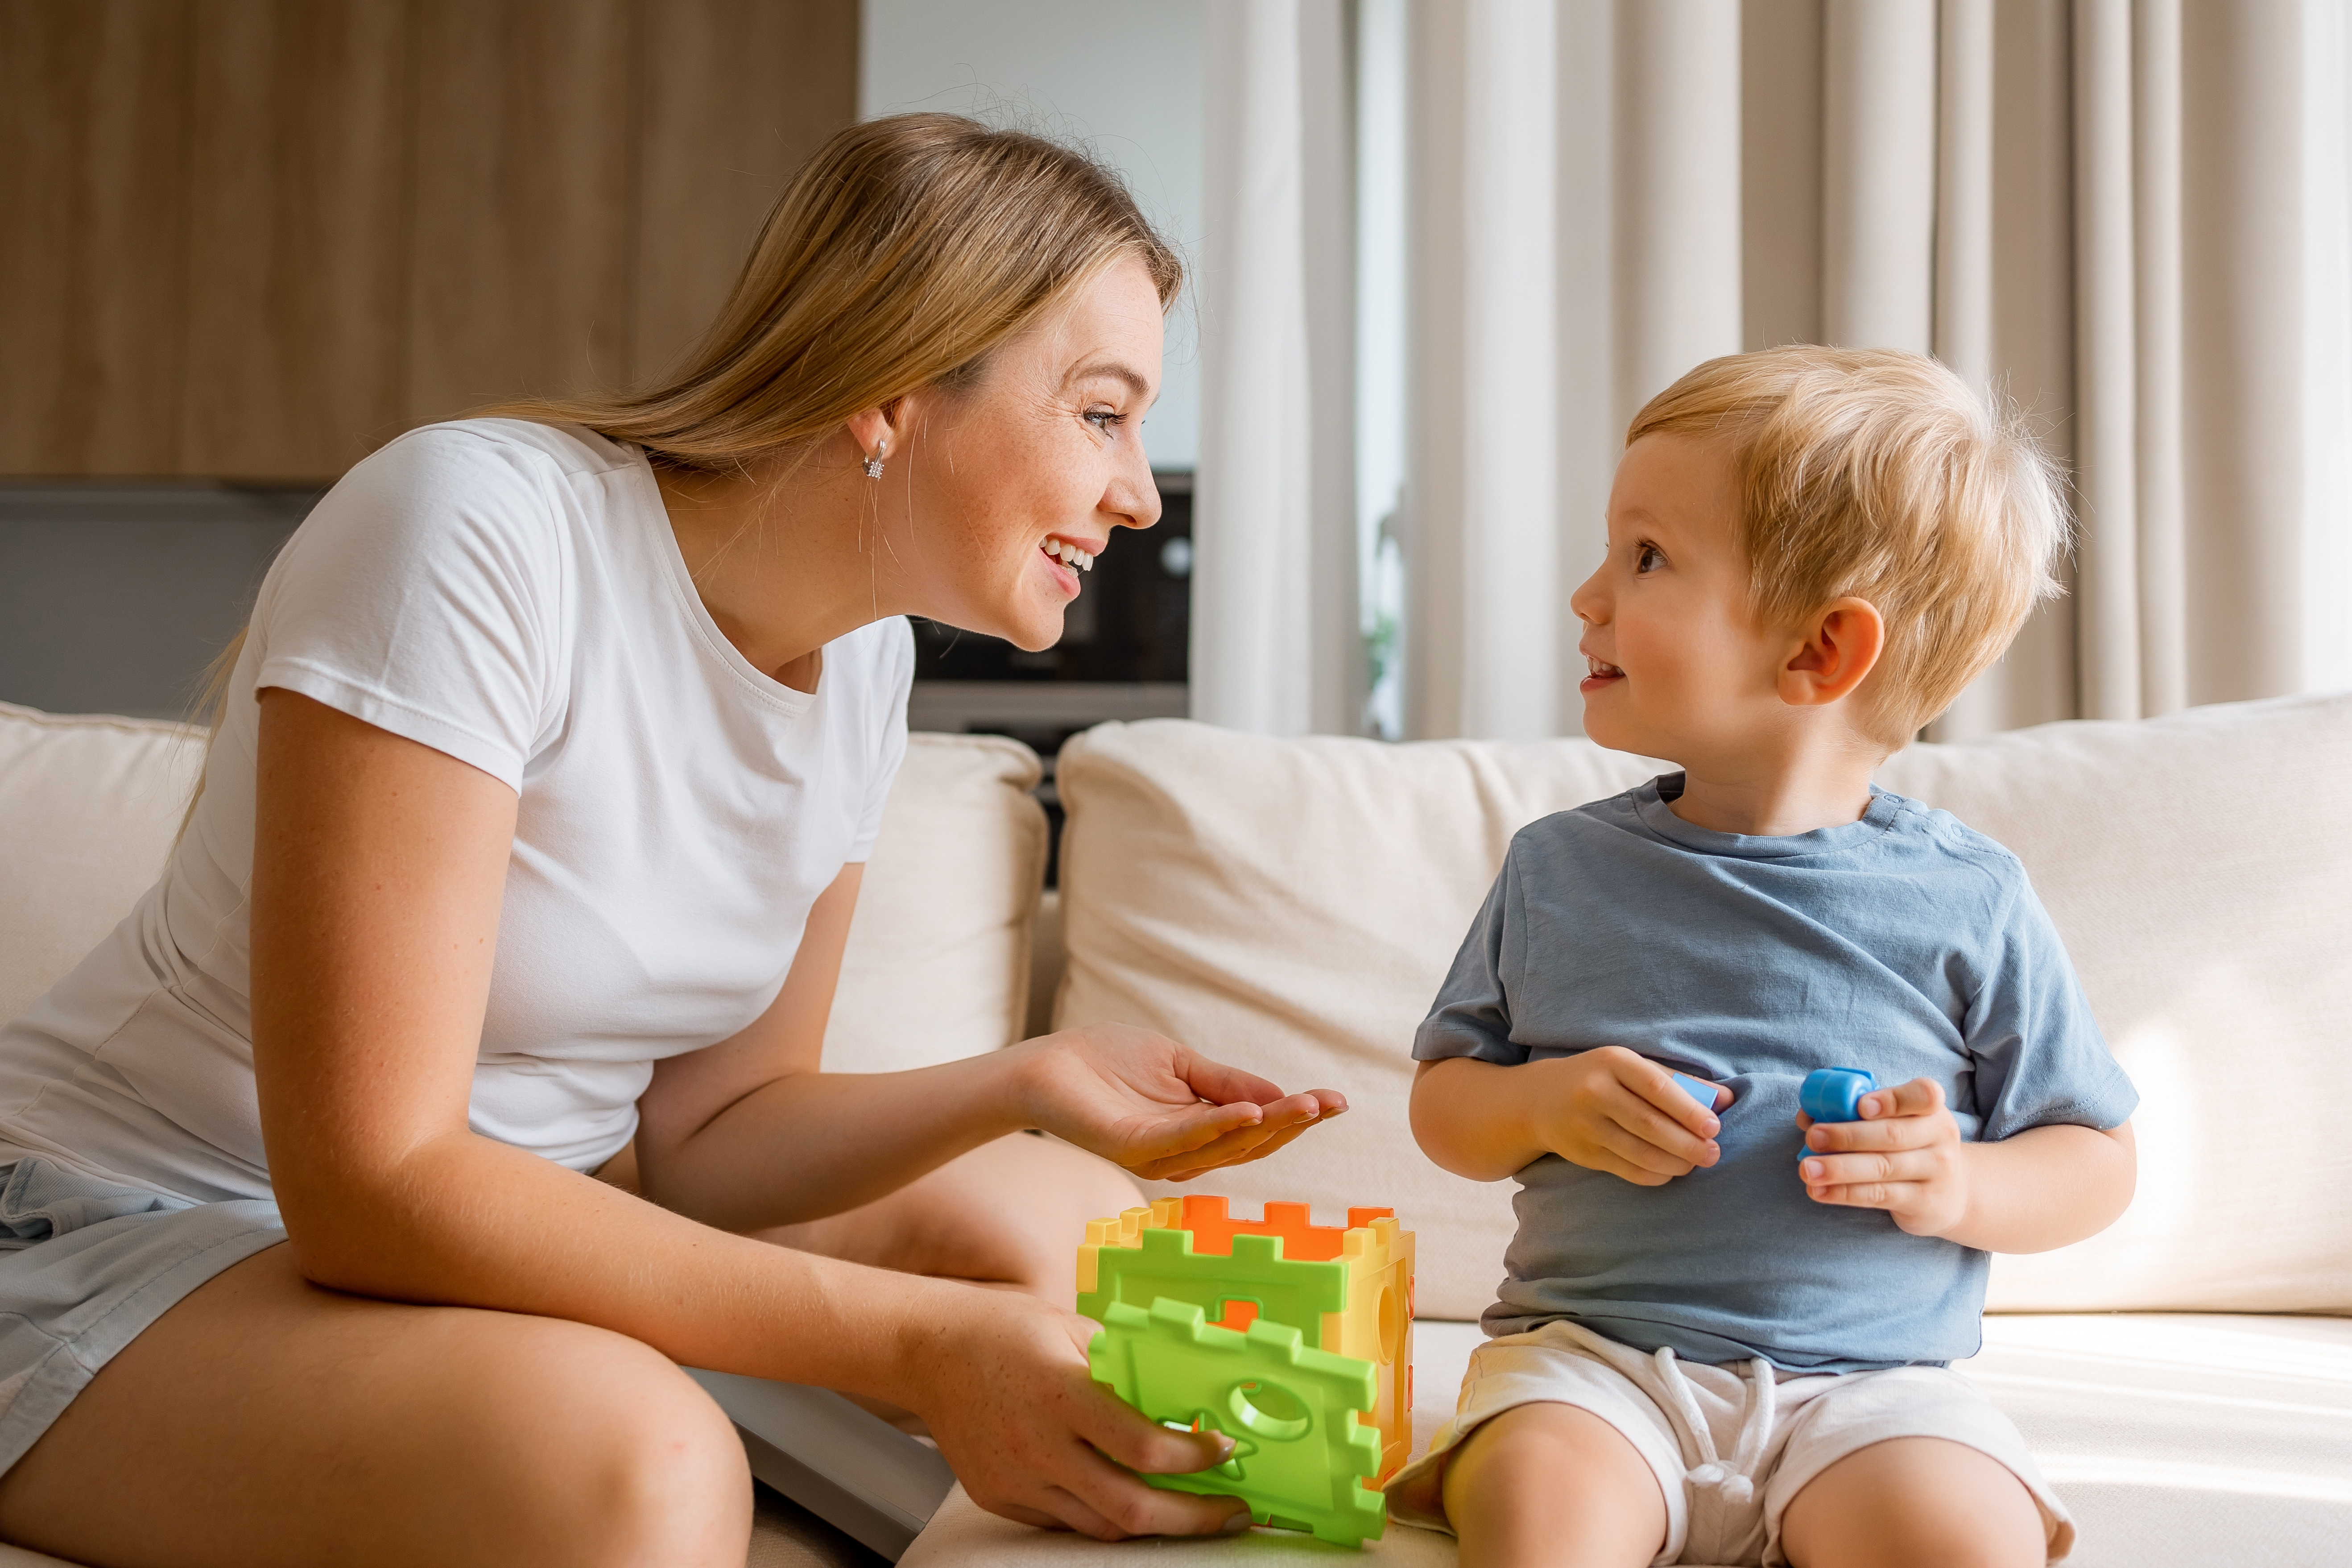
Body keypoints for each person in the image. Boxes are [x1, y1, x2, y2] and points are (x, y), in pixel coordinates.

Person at [0, 115, 1347, 1565]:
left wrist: (1025, 1079)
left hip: (497, 1223)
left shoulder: (866, 661)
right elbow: (374, 1186)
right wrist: (918, 1346)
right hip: (134, 1220)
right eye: (1100, 412)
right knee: (641, 1475)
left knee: (1073, 1222)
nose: (1139, 492)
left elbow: (710, 1135)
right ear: (894, 390)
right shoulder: (476, 529)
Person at [1388, 348, 2138, 1568]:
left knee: (1964, 1542)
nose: (1585, 595)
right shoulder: (1556, 868)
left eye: (1644, 557)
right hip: (1593, 1363)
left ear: (1819, 652)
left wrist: (1959, 1184)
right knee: (1537, 1524)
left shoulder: (1968, 897)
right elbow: (1444, 1106)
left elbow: (2093, 1157)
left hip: (1876, 1391)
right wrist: (1540, 1101)